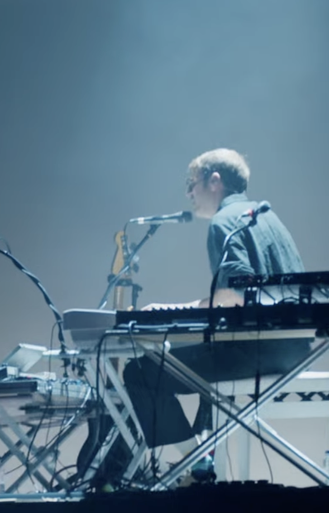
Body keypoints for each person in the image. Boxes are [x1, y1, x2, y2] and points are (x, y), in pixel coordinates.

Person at [95, 149, 314, 486]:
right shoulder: (271, 220)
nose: (188, 193)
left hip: (257, 351)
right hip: (295, 351)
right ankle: (200, 459)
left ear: (214, 181)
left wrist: (172, 309)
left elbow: (234, 296)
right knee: (194, 361)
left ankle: (196, 465)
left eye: (191, 183)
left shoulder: (225, 222)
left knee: (142, 371)